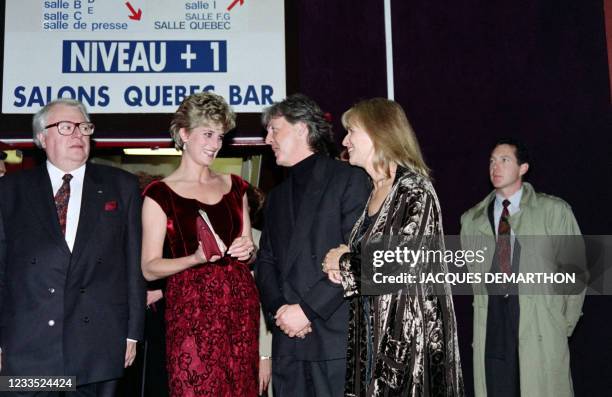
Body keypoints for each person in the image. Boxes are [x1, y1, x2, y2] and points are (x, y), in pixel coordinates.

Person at [0, 98, 145, 396]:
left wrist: (133, 332)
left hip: (96, 347)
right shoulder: (10, 191)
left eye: (84, 127)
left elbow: (133, 263)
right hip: (28, 349)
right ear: (42, 138)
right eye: (66, 127)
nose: (78, 134)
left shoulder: (122, 186)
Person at [323, 98, 464, 396]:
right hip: (375, 344)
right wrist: (342, 264)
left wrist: (345, 262)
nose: (345, 140)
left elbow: (398, 262)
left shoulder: (414, 189)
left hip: (409, 348)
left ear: (379, 133)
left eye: (351, 131)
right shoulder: (376, 191)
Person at [141, 92, 259, 397]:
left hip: (239, 308)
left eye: (220, 136)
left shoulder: (236, 187)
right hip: (191, 311)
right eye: (207, 134)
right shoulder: (159, 194)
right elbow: (150, 268)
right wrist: (194, 258)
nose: (215, 144)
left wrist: (249, 251)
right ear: (184, 134)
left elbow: (247, 249)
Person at [255, 93, 370, 396]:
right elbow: (265, 261)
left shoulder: (350, 179)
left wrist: (306, 310)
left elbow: (359, 255)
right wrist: (280, 310)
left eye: (274, 129)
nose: (268, 139)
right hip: (288, 344)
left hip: (332, 339)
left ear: (302, 129)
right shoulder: (276, 196)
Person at [460, 138, 586, 397]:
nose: (496, 166)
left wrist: (560, 325)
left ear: (523, 168)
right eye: (492, 161)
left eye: (504, 160)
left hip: (538, 324)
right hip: (493, 325)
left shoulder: (553, 211)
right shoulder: (471, 220)